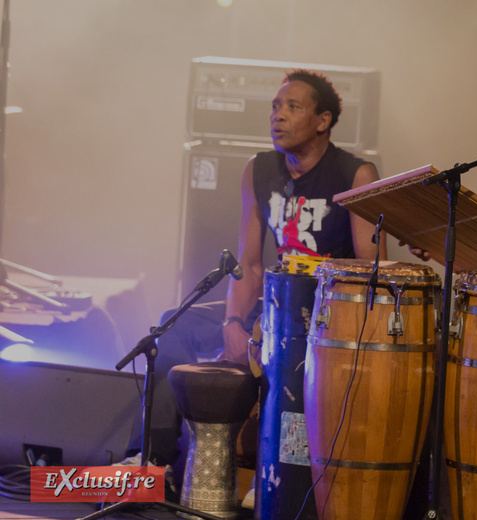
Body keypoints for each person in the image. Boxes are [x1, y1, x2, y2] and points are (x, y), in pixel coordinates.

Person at [123, 69, 386, 472]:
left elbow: (374, 273)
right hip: (272, 308)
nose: (278, 115)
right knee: (172, 326)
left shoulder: (355, 174)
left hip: (326, 318)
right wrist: (232, 322)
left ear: (322, 121)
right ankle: (152, 462)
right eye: (275, 106)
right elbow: (249, 263)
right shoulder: (258, 170)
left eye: (292, 107)